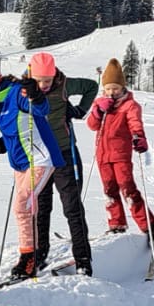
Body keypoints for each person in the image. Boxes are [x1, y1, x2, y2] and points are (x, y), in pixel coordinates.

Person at [0, 61, 65, 280]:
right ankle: (34, 252)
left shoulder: (17, 92)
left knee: (22, 205)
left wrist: (36, 95)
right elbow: (15, 132)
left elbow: (42, 110)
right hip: (21, 161)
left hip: (41, 158)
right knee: (27, 207)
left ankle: (29, 257)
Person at [26, 51, 98, 273]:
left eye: (47, 81)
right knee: (40, 207)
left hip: (64, 152)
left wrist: (79, 110)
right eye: (39, 81)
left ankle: (83, 260)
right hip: (39, 156)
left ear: (54, 75)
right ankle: (39, 254)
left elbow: (91, 86)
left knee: (72, 207)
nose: (44, 85)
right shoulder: (23, 88)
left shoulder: (64, 84)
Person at [87, 58, 154, 238]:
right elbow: (92, 125)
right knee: (109, 191)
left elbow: (135, 123)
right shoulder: (100, 103)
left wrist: (139, 137)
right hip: (102, 156)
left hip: (120, 154)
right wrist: (98, 111)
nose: (112, 92)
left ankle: (148, 227)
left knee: (127, 189)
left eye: (115, 88)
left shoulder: (130, 105)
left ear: (122, 87)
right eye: (108, 89)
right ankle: (117, 224)